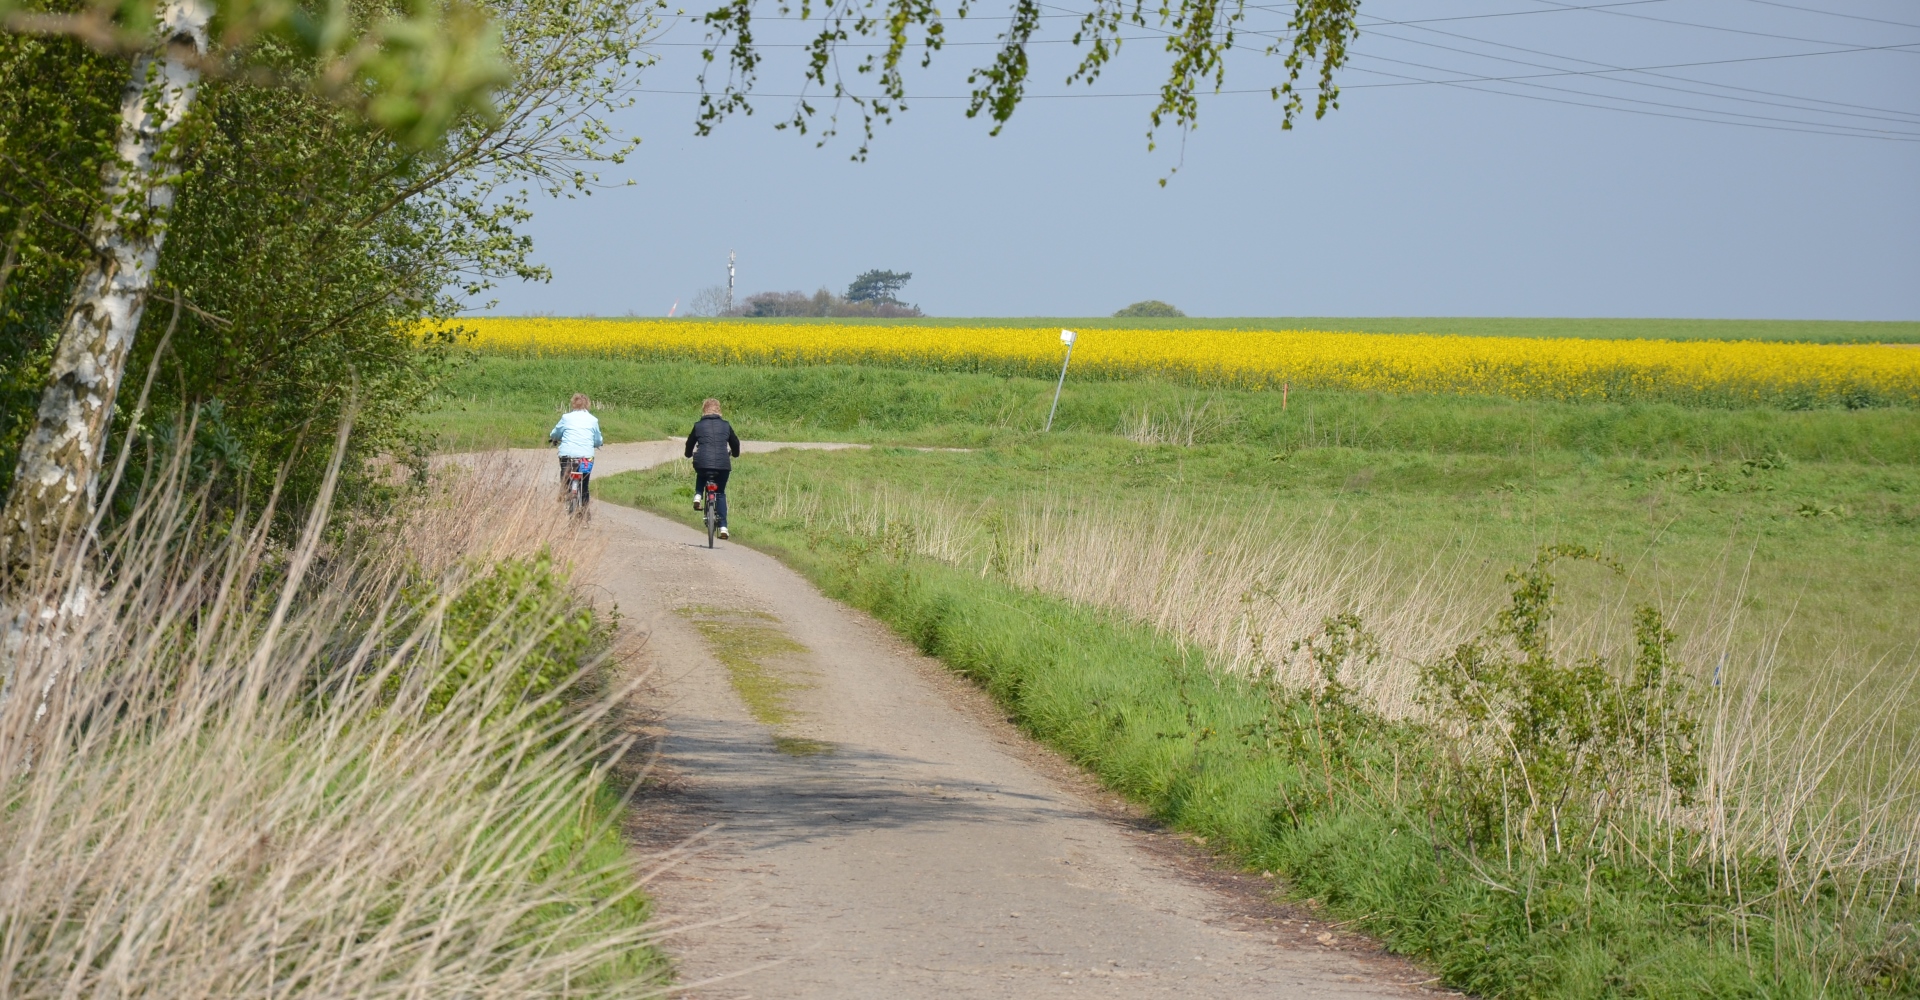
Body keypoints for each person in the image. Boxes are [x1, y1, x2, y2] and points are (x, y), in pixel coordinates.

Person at [684, 398, 741, 539]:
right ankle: (723, 528)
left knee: (702, 472)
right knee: (720, 493)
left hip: (702, 464)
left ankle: (698, 495)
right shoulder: (726, 425)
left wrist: (688, 454)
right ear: (719, 410)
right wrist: (735, 453)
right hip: (723, 465)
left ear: (704, 410)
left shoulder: (698, 426)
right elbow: (735, 443)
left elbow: (689, 443)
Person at [549, 393, 603, 508]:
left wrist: (554, 438)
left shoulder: (566, 418)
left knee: (565, 476)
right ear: (588, 405)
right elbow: (598, 439)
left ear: (573, 404)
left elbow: (556, 433)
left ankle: (564, 490)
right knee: (584, 485)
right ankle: (583, 514)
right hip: (586, 458)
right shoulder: (593, 420)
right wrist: (597, 444)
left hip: (567, 455)